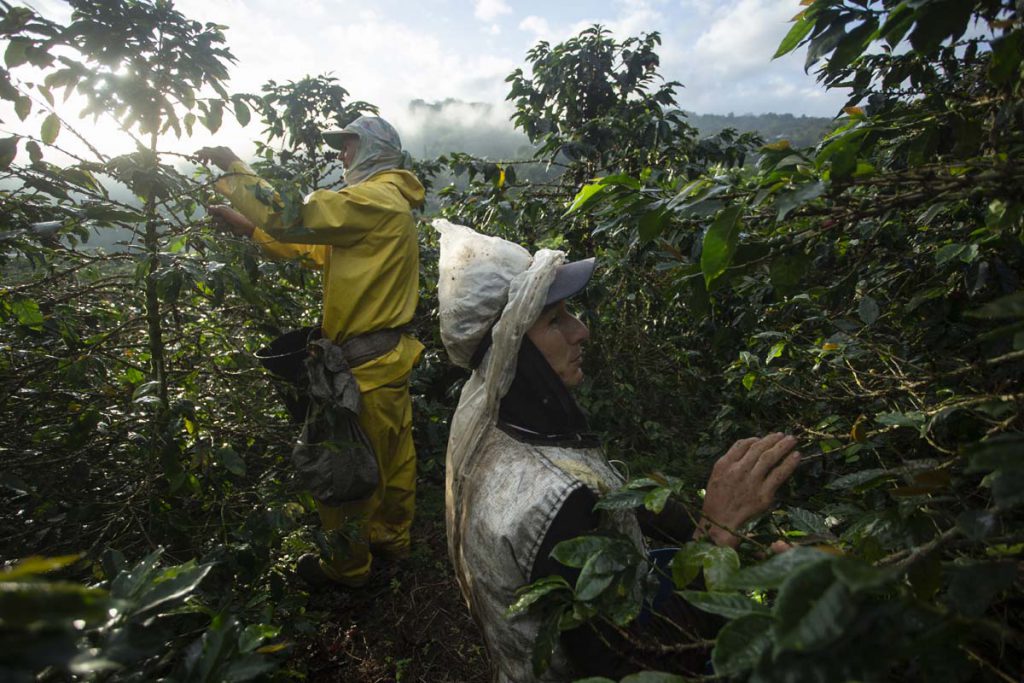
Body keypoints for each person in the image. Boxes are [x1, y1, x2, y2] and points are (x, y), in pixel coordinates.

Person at [434, 219, 801, 682]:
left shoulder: (487, 419)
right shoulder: (555, 502)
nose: (580, 330)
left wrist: (693, 520)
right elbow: (636, 666)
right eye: (554, 320)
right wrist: (718, 530)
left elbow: (605, 506)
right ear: (513, 351)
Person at [196, 116, 425, 589]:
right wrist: (248, 230)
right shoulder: (386, 205)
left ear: (373, 149)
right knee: (392, 457)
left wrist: (234, 170)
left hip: (363, 368)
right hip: (386, 359)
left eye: (348, 147)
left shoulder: (375, 197)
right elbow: (316, 251)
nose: (342, 157)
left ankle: (348, 569)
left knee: (347, 471)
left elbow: (295, 217)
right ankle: (391, 541)